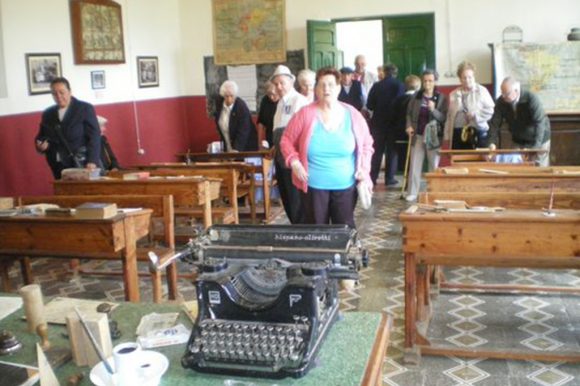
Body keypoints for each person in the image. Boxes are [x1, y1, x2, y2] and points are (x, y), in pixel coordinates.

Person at [280, 67, 374, 228]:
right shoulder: (305, 114)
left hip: (345, 185)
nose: (326, 89)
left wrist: (364, 171)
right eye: (322, 84)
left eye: (331, 84)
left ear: (338, 88)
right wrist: (294, 162)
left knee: (344, 231)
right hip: (313, 186)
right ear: (316, 89)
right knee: (317, 232)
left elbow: (367, 145)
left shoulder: (353, 115)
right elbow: (286, 141)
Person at [35, 77, 101, 179]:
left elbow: (94, 136)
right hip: (57, 165)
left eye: (62, 92)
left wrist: (92, 160)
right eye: (54, 93)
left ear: (70, 91)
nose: (59, 96)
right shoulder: (48, 114)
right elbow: (41, 136)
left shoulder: (84, 108)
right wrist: (41, 146)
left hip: (80, 163)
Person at [270, 65, 309, 224]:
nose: (279, 87)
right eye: (276, 84)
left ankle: (302, 232)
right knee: (286, 196)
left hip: (294, 159)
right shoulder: (279, 103)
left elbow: (302, 132)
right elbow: (278, 129)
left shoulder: (299, 100)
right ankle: (295, 226)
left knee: (296, 199)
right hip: (280, 158)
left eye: (282, 83)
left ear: (291, 82)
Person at [405, 70, 448, 201]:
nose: (428, 83)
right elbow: (408, 113)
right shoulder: (416, 96)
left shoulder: (441, 98)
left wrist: (433, 110)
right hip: (417, 135)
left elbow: (444, 118)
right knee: (415, 165)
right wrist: (408, 126)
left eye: (430, 81)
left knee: (433, 166)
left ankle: (433, 190)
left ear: (435, 82)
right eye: (425, 81)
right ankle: (412, 192)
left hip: (433, 137)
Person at [488, 77, 551, 166]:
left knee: (538, 170)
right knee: (516, 168)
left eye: (506, 94)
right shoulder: (501, 102)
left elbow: (540, 123)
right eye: (502, 93)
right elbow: (494, 124)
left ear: (516, 91)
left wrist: (534, 149)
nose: (503, 96)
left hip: (538, 139)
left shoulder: (531, 98)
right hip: (518, 140)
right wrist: (492, 143)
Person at [366, 64, 405, 185]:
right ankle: (389, 178)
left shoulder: (377, 85)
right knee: (392, 151)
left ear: (385, 72)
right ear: (395, 73)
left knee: (377, 151)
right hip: (394, 122)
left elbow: (369, 105)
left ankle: (373, 177)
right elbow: (402, 103)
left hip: (378, 123)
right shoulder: (399, 85)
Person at [443, 61, 494, 149]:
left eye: (470, 77)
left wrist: (475, 115)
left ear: (474, 77)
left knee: (476, 161)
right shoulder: (453, 94)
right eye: (464, 78)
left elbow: (490, 111)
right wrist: (447, 136)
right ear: (460, 79)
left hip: (477, 132)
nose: (467, 80)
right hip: (457, 133)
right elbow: (449, 116)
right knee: (458, 161)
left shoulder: (482, 91)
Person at [387, 74, 421, 187]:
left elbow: (392, 116)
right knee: (414, 158)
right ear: (418, 87)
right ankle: (410, 182)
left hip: (399, 133)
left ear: (405, 86)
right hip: (414, 133)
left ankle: (405, 180)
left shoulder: (397, 100)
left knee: (401, 158)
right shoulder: (418, 100)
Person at [214, 80, 258, 152]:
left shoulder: (241, 107)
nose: (229, 99)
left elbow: (243, 131)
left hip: (246, 146)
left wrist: (236, 150)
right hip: (228, 144)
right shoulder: (219, 104)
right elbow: (218, 122)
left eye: (231, 96)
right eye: (226, 96)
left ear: (235, 95)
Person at [256, 81, 279, 148]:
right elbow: (261, 122)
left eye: (274, 94)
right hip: (269, 137)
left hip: (281, 137)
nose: (271, 97)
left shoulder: (283, 101)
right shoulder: (265, 100)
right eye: (269, 94)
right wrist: (259, 142)